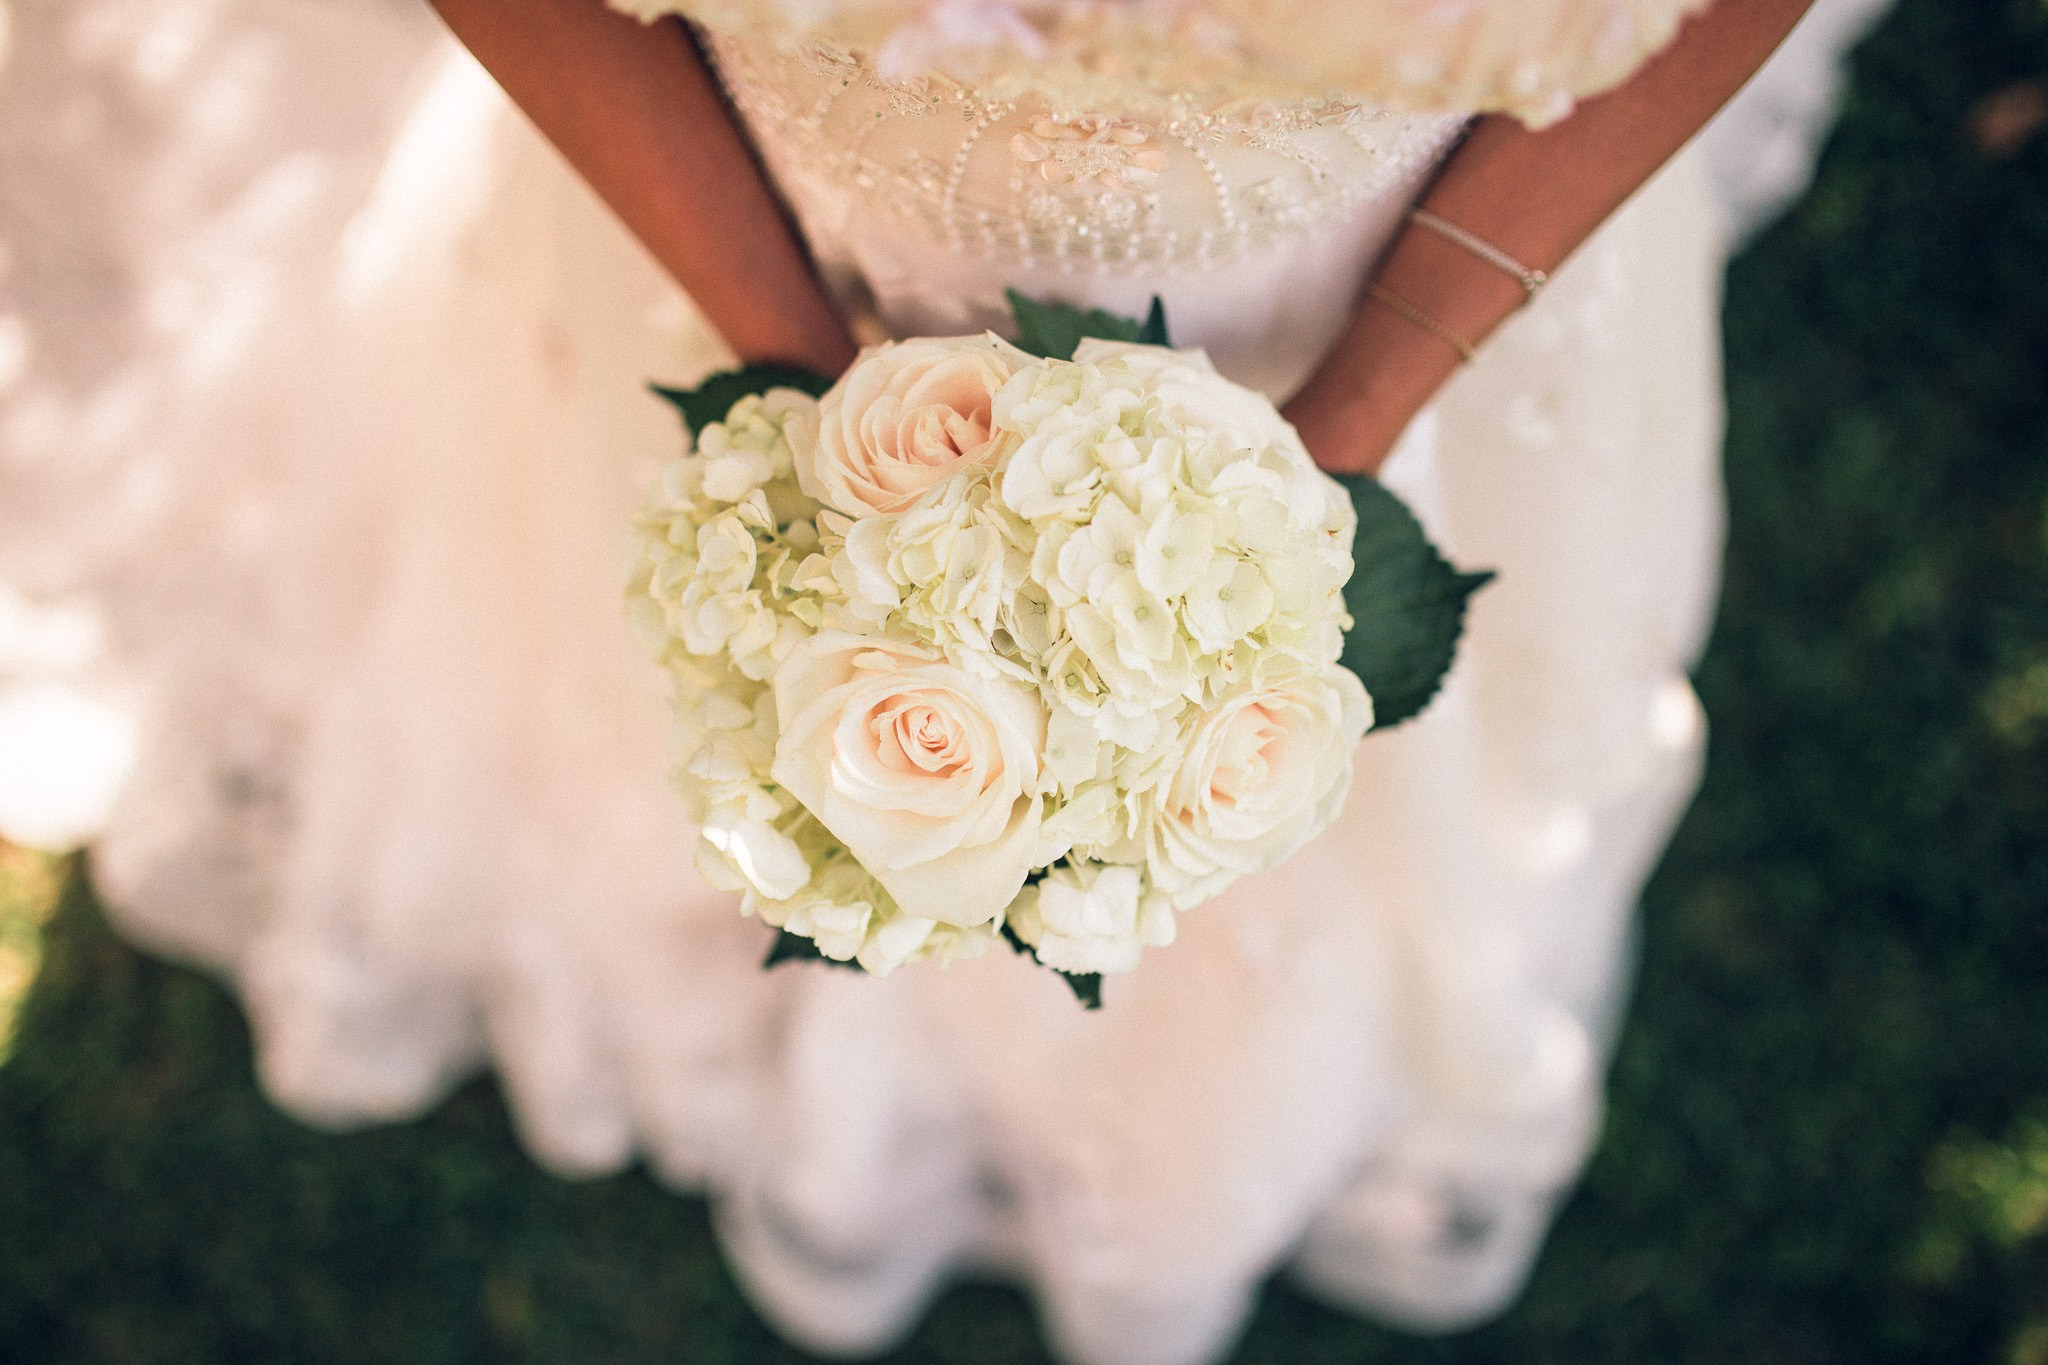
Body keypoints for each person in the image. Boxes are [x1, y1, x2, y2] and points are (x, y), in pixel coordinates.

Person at [0, 1, 1883, 1361]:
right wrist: (790, 378)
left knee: (1324, 842)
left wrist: (1362, 420)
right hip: (737, 218)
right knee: (645, 658)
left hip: (1394, 293)